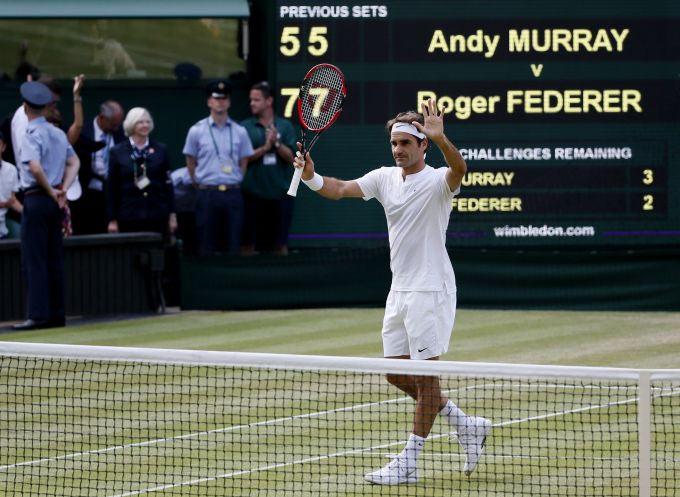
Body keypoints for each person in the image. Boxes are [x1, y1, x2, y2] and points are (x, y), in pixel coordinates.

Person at [292, 99, 491, 485]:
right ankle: (467, 425)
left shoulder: (437, 181)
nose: (398, 149)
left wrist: (441, 136)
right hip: (399, 290)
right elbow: (339, 189)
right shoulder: (384, 177)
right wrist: (312, 177)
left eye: (406, 143)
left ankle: (410, 462)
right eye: (394, 143)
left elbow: (460, 169)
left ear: (422, 146)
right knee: (395, 374)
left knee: (427, 380)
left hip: (430, 290)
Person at [13, 81, 80, 331]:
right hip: (54, 201)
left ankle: (38, 315)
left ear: (25, 106)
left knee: (35, 258)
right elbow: (74, 163)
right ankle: (56, 314)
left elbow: (35, 166)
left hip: (37, 198)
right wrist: (63, 189)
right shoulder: (58, 133)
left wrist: (52, 190)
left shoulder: (31, 133)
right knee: (53, 257)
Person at [183, 80, 253, 255]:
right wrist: (198, 183)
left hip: (232, 193)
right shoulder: (196, 130)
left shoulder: (240, 131)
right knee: (206, 243)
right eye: (216, 98)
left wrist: (235, 179)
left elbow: (244, 162)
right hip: (207, 193)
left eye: (224, 99)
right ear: (209, 102)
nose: (220, 102)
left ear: (229, 102)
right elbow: (190, 161)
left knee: (233, 243)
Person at [240, 81, 296, 255]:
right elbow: (242, 158)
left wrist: (277, 143)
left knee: (280, 245)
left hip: (280, 195)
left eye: (256, 100)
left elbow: (293, 158)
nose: (252, 103)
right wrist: (264, 148)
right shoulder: (244, 127)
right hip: (252, 195)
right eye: (251, 100)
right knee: (248, 244)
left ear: (269, 101)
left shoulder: (285, 126)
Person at [106, 107, 176, 236]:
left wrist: (172, 215)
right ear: (132, 124)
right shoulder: (117, 151)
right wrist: (112, 219)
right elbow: (112, 188)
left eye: (147, 121)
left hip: (157, 214)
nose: (145, 125)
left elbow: (168, 185)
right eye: (140, 122)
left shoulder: (161, 149)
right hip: (128, 215)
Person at [74, 99, 125, 234]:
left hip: (111, 194)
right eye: (113, 124)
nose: (116, 128)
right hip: (87, 194)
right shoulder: (83, 131)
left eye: (118, 125)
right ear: (102, 118)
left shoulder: (121, 135)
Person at [0, 131, 22, 239]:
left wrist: (29, 213)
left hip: (2, 230)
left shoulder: (11, 170)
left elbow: (12, 200)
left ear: (3, 147)